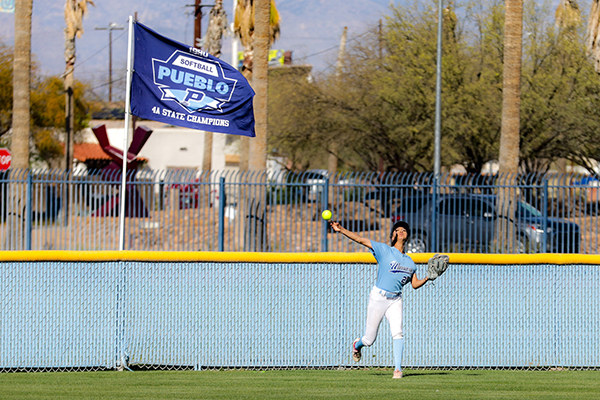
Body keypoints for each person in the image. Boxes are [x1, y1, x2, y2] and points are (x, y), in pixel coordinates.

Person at [329, 219, 429, 379]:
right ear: (393, 235)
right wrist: (341, 230)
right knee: (369, 339)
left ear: (408, 235)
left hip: (396, 299)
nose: (401, 231)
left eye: (404, 229)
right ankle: (357, 345)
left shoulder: (410, 262)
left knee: (398, 333)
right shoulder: (384, 250)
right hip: (379, 297)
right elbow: (361, 240)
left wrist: (428, 278)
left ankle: (397, 369)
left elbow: (415, 284)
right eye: (398, 229)